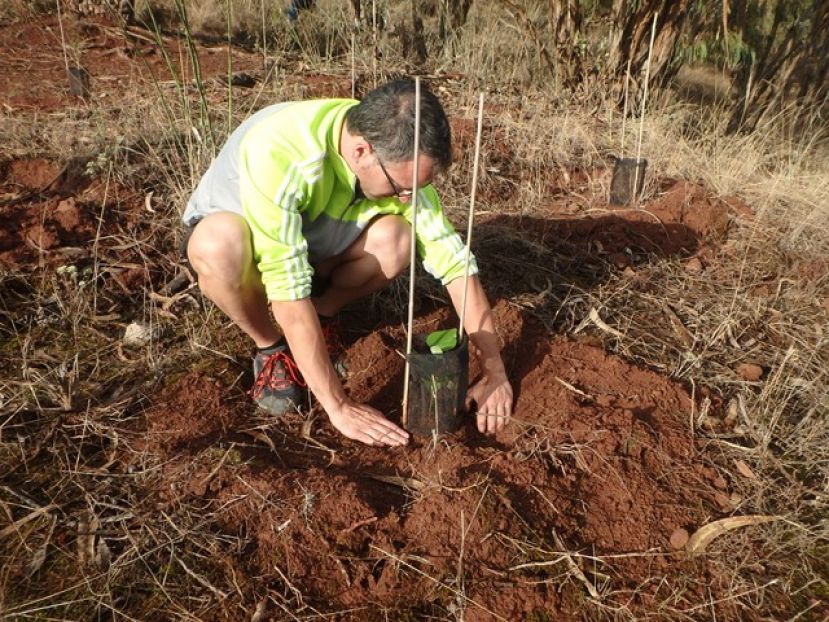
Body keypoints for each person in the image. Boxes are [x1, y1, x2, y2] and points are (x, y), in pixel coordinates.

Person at [182, 79, 513, 447]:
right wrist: (339, 407)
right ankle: (272, 347)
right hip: (245, 243)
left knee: (395, 239)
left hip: (313, 231)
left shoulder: (392, 147)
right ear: (361, 152)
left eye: (416, 189)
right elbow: (287, 291)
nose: (409, 197)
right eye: (400, 187)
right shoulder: (281, 152)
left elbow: (453, 264)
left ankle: (322, 316)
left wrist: (494, 371)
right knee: (217, 246)